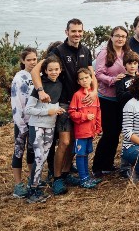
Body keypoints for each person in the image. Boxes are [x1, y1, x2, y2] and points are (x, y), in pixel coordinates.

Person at [30, 18, 93, 195]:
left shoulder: (86, 50)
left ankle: (65, 173)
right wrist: (40, 91)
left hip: (81, 102)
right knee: (64, 141)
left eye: (80, 31)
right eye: (73, 31)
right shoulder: (58, 51)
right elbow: (36, 70)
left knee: (74, 141)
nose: (77, 34)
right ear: (67, 32)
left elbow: (91, 73)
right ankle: (57, 178)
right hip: (65, 103)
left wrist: (94, 92)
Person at [24, 55, 64, 203]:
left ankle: (36, 185)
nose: (54, 72)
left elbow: (53, 106)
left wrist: (57, 109)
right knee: (39, 157)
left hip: (51, 127)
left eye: (56, 69)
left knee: (44, 157)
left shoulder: (59, 84)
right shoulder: (39, 87)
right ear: (45, 71)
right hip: (37, 126)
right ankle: (32, 190)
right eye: (50, 70)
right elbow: (28, 109)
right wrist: (47, 112)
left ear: (60, 70)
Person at [91, 26, 130, 176]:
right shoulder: (105, 53)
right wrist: (113, 80)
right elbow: (98, 73)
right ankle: (98, 166)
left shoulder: (127, 53)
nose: (120, 39)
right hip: (107, 98)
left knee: (117, 132)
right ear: (111, 37)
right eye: (117, 36)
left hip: (122, 98)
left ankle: (108, 164)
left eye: (123, 36)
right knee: (108, 133)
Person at [10, 47, 38, 198]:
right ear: (23, 61)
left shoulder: (38, 75)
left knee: (32, 150)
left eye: (34, 59)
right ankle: (18, 184)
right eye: (29, 60)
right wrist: (20, 123)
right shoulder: (19, 78)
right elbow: (16, 102)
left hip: (35, 120)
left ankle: (32, 180)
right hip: (22, 121)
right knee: (18, 151)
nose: (32, 62)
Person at [68, 67, 101, 188]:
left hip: (90, 131)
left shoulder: (94, 95)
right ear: (78, 82)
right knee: (80, 154)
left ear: (91, 78)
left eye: (86, 77)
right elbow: (71, 113)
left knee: (86, 154)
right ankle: (83, 178)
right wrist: (85, 116)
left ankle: (87, 177)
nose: (84, 80)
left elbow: (98, 112)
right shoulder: (77, 95)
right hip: (80, 132)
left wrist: (98, 127)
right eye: (81, 79)